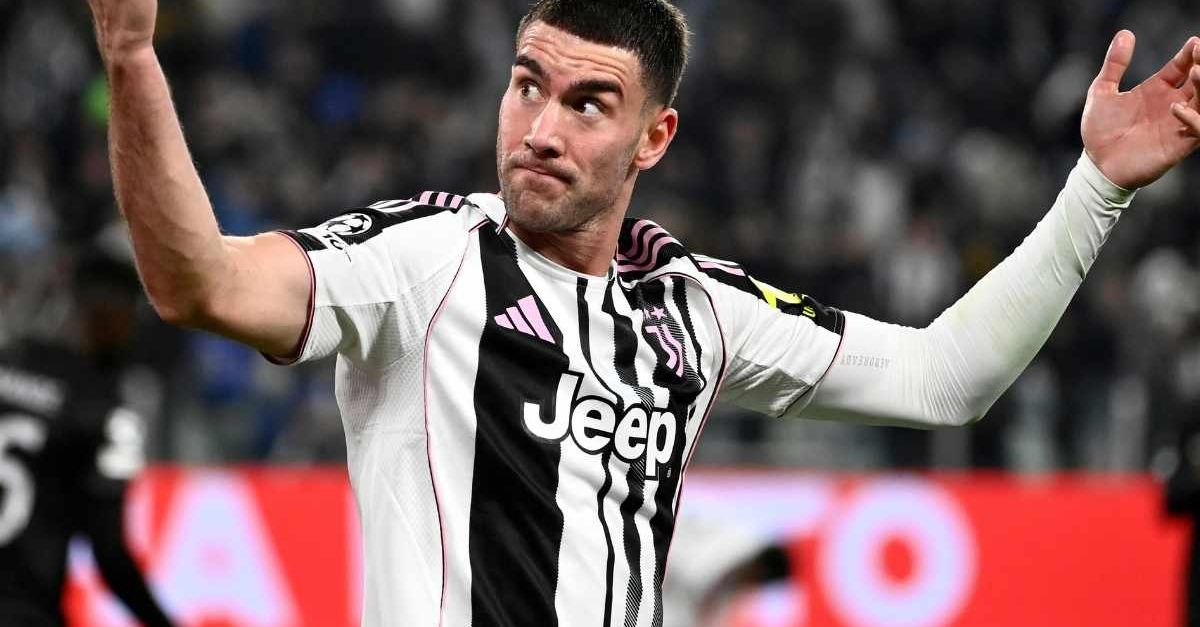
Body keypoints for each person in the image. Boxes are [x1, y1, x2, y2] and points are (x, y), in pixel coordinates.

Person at [85, 0, 1200, 623]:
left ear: (653, 138)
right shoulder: (426, 260)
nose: (540, 130)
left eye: (588, 104)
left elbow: (944, 380)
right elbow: (202, 284)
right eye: (528, 84)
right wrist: (132, 61)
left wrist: (1097, 188)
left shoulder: (695, 309)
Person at [0, 248, 175, 627]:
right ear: (118, 318)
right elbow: (109, 553)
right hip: (25, 610)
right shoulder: (105, 410)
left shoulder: (7, 359)